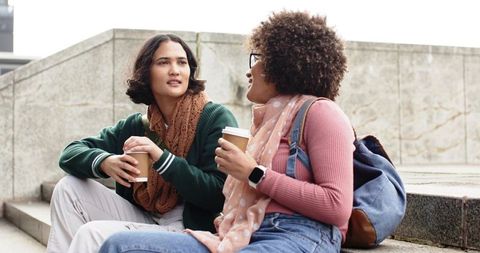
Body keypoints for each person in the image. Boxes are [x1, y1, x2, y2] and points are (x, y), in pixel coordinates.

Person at [100, 10, 354, 253]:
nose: (249, 69)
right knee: (119, 246)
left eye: (259, 58)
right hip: (242, 232)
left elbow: (336, 206)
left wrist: (253, 173)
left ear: (285, 64)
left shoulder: (322, 113)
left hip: (298, 234)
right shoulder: (267, 124)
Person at [46, 33, 238, 253]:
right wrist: (105, 162)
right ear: (146, 72)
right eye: (164, 62)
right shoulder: (138, 125)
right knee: (67, 188)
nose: (174, 70)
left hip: (190, 228)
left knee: (91, 233)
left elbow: (218, 193)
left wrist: (162, 158)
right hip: (145, 216)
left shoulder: (214, 118)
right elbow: (70, 153)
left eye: (182, 62)